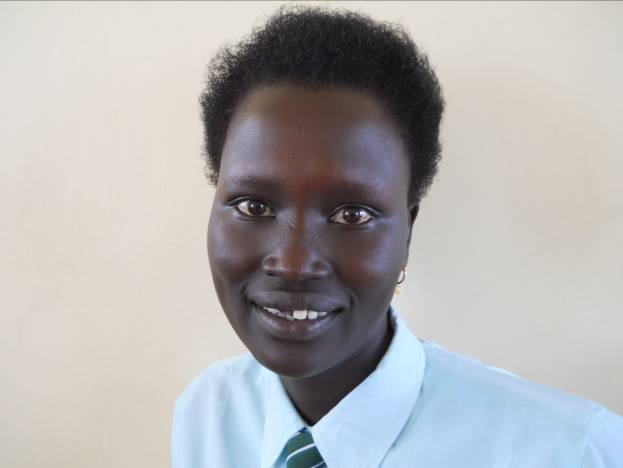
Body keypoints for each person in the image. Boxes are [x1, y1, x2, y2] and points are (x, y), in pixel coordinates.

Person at [172, 6, 623, 468]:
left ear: (408, 230)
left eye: (352, 215)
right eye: (253, 207)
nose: (292, 263)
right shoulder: (208, 416)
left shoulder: (573, 451)